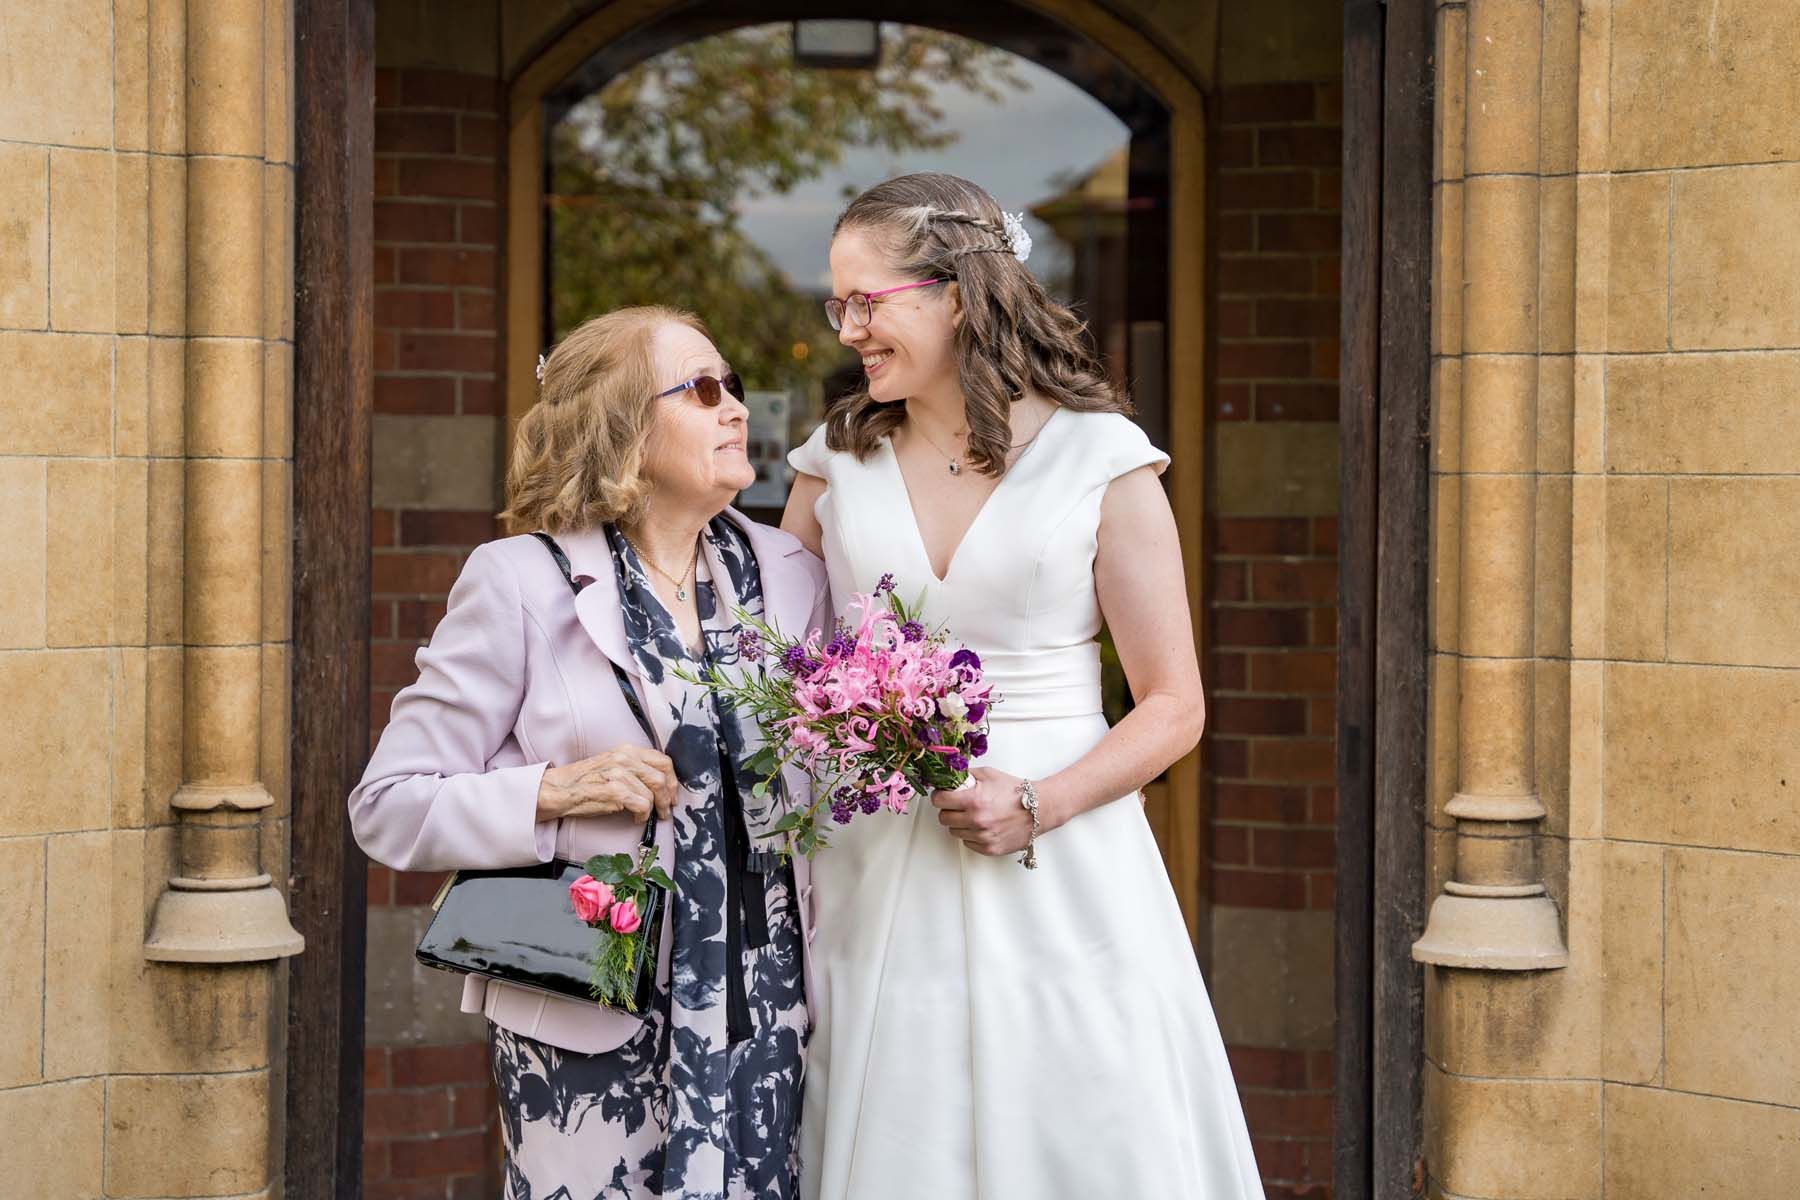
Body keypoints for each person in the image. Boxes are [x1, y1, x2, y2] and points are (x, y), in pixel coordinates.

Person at [782, 173, 1261, 1199]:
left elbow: (1175, 702)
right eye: (840, 304)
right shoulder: (835, 458)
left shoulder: (1100, 457)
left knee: (1079, 1127)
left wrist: (1039, 801)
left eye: (868, 300)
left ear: (956, 291)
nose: (849, 328)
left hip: (1064, 858)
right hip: (881, 857)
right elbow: (778, 661)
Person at [350, 306, 831, 1199]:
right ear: (622, 427)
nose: (736, 410)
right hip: (590, 1021)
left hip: (767, 1021)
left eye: (733, 388)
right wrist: (552, 791)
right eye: (703, 390)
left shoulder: (788, 576)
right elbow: (388, 804)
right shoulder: (520, 581)